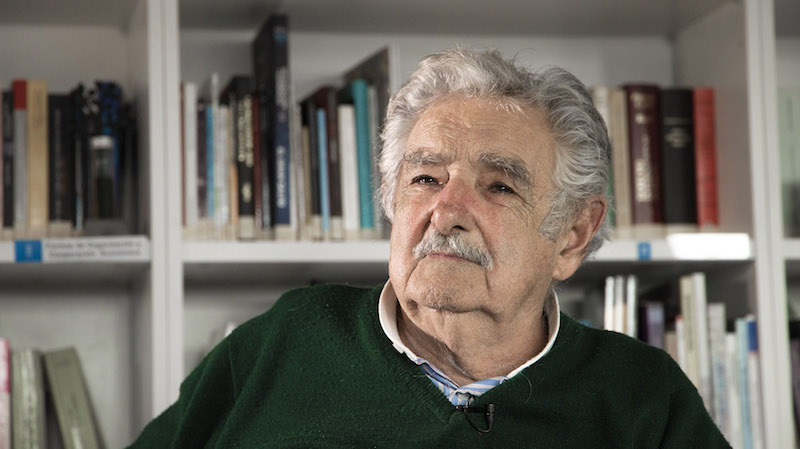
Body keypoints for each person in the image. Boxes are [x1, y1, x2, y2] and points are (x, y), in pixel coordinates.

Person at [128, 47, 730, 448]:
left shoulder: (643, 398)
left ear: (572, 234)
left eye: (499, 186)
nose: (446, 212)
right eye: (425, 178)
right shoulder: (285, 341)